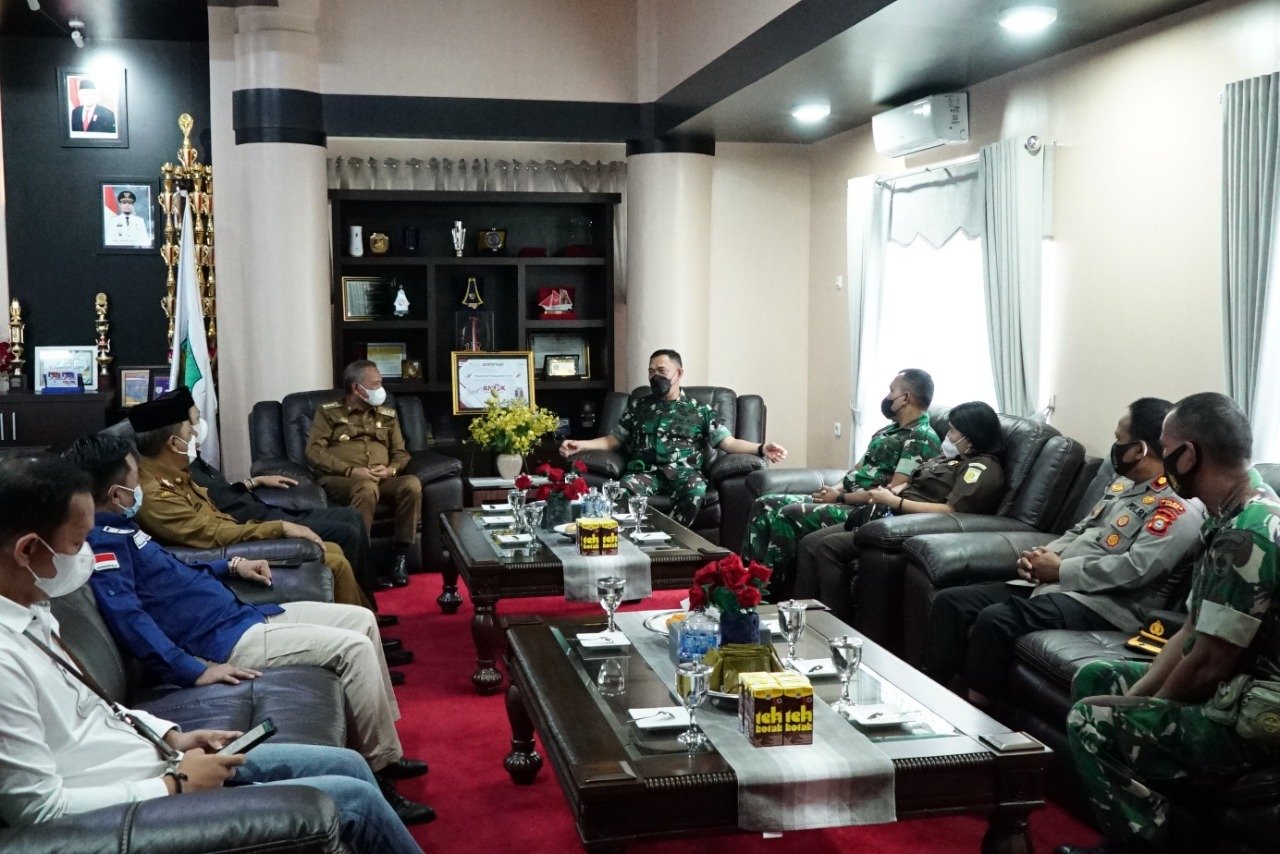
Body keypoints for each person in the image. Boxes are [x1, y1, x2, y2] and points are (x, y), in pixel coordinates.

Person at [0, 456, 425, 851]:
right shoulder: (5, 662)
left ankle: (382, 766)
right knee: (355, 800)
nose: (85, 556)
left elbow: (97, 710)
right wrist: (176, 784)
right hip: (147, 796)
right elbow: (39, 811)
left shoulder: (35, 614)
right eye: (77, 543)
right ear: (27, 550)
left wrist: (170, 736)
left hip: (162, 756)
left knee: (349, 765)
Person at [1058, 393, 1280, 854]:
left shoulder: (1250, 533)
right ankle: (1137, 820)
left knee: (1093, 720)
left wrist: (1141, 712)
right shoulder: (1229, 514)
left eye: (1166, 447)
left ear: (1189, 455)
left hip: (1256, 720)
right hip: (1230, 689)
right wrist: (1136, 703)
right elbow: (1192, 629)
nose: (1160, 459)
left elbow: (1209, 664)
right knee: (1097, 678)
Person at [921, 398, 1204, 706]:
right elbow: (1080, 530)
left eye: (1119, 439)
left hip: (1106, 604)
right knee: (951, 602)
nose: (1115, 447)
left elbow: (1135, 569)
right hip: (1059, 585)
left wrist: (1059, 570)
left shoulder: (1175, 508)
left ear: (1139, 449)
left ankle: (976, 711)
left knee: (996, 620)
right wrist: (1040, 556)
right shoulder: (1124, 486)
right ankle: (931, 695)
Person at [128, 388, 373, 611]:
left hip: (235, 544)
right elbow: (212, 535)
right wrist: (281, 528)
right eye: (188, 431)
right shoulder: (155, 495)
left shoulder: (175, 474)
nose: (194, 433)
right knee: (336, 563)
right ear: (174, 443)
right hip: (223, 560)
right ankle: (361, 631)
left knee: (334, 549)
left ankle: (367, 624)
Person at [742, 369, 940, 602]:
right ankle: (746, 586)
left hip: (864, 510)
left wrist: (839, 498)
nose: (887, 396)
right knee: (764, 504)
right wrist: (834, 489)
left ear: (905, 398)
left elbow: (888, 494)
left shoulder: (921, 437)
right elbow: (856, 471)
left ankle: (774, 597)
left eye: (891, 391)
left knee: (788, 515)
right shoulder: (886, 432)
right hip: (844, 499)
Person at [791, 401, 1007, 611]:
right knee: (809, 543)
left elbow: (951, 510)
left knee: (828, 547)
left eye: (952, 431)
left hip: (911, 524)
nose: (947, 437)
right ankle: (798, 616)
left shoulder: (982, 468)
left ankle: (832, 623)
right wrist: (890, 493)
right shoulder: (950, 458)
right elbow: (912, 481)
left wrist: (897, 502)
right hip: (888, 513)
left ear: (970, 436)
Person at [559, 349, 788, 527]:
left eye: (661, 371)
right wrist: (580, 445)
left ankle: (671, 543)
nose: (655, 376)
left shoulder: (700, 410)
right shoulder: (638, 406)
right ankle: (631, 545)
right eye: (651, 371)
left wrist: (761, 448)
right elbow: (613, 440)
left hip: (684, 474)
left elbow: (728, 443)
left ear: (679, 373)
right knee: (620, 492)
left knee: (695, 492)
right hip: (644, 473)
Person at [306, 360, 422, 588]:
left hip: (381, 478)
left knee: (412, 484)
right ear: (356, 388)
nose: (381, 389)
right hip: (341, 480)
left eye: (381, 383)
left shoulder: (388, 415)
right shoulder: (328, 413)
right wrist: (350, 470)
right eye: (375, 384)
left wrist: (391, 469)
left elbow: (401, 453)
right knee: (366, 488)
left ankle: (400, 558)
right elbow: (314, 451)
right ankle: (363, 567)